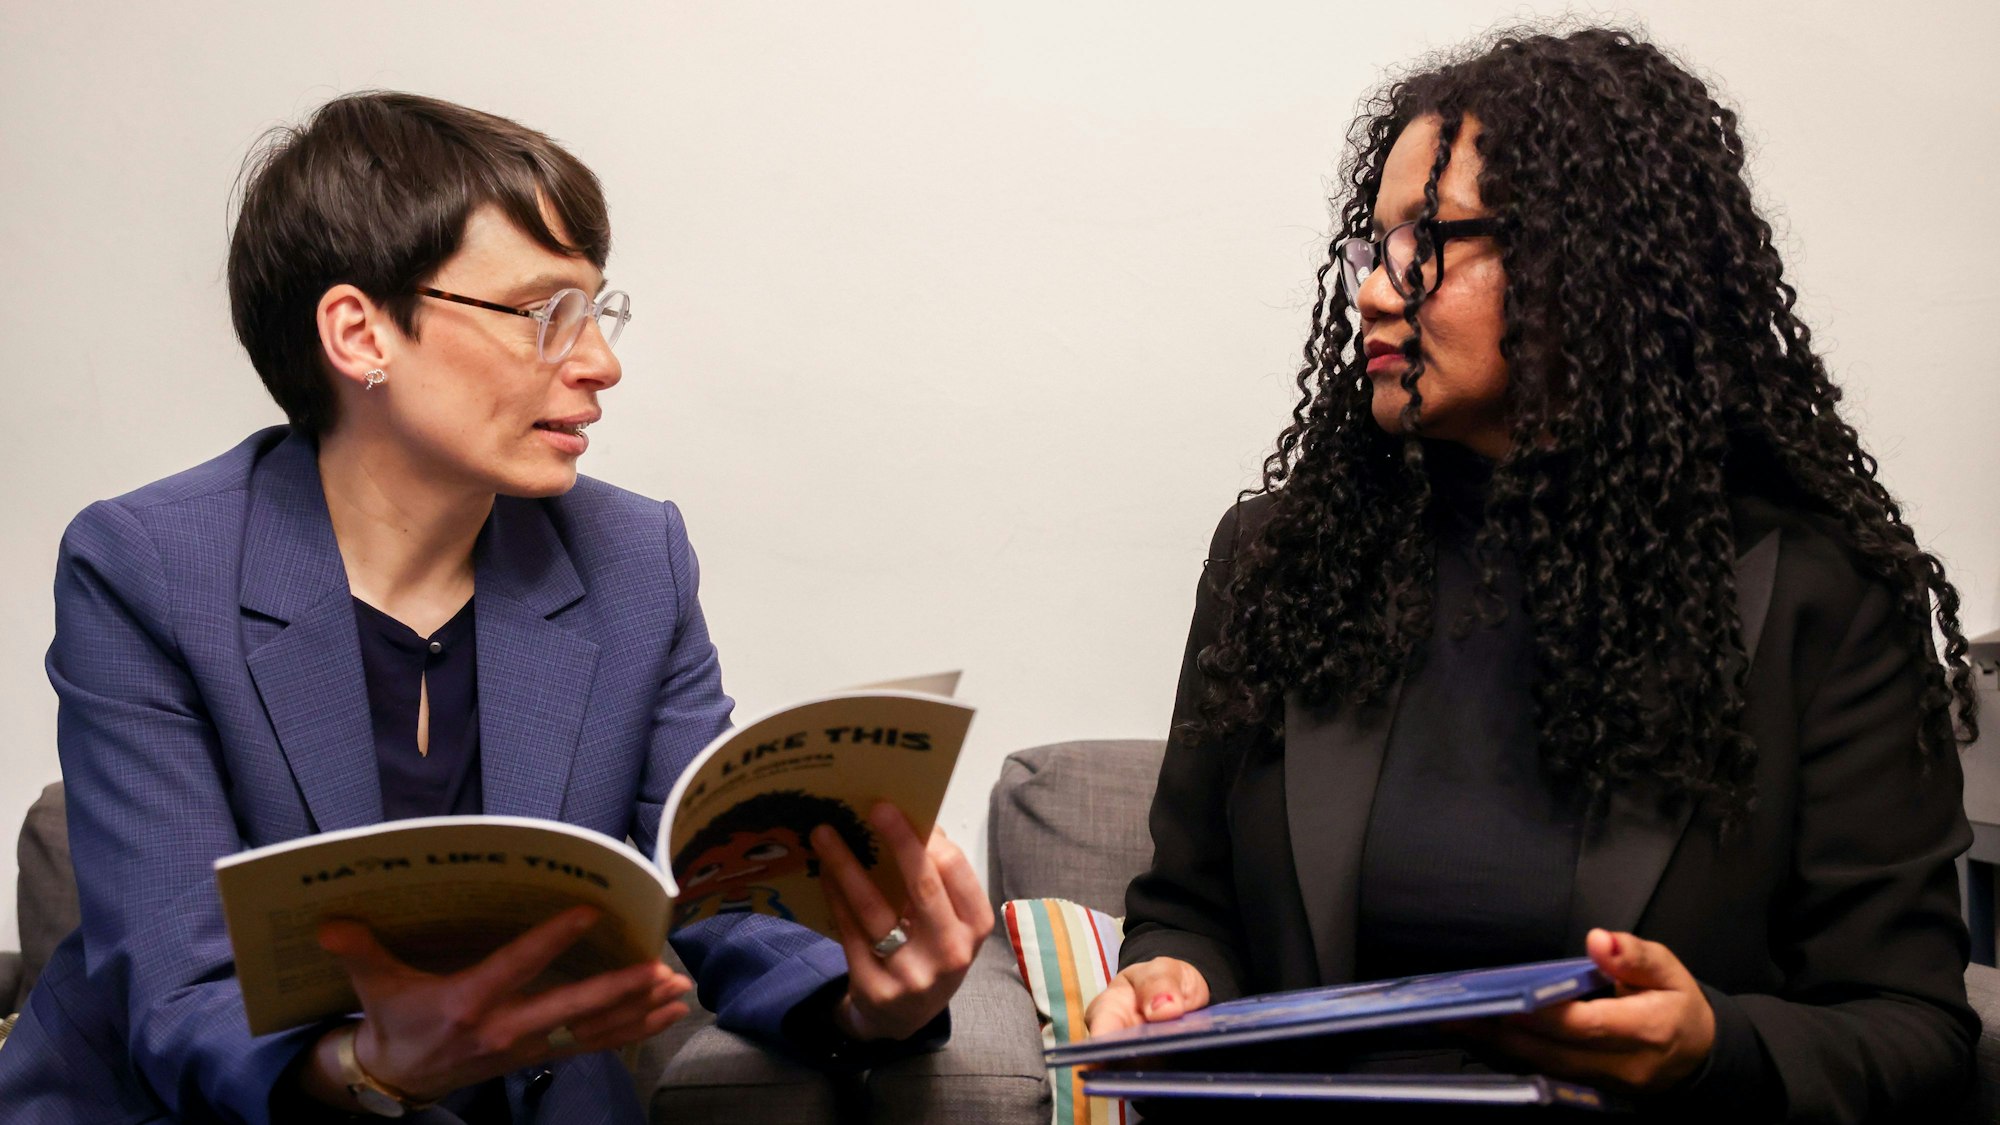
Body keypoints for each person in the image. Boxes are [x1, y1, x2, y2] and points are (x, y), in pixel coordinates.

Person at [0, 92, 992, 1123]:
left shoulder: (632, 559)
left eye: (598, 311)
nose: (601, 364)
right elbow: (175, 987)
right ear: (360, 332)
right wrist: (372, 1065)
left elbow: (709, 885)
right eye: (543, 314)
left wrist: (866, 996)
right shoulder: (150, 565)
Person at [1086, 26, 1980, 1122]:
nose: (1370, 295)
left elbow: (1910, 1027)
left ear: (1587, 266)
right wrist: (1174, 982)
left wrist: (1712, 1045)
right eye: (1372, 249)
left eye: (1431, 244)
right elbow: (1187, 905)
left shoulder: (1814, 600)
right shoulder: (1280, 558)